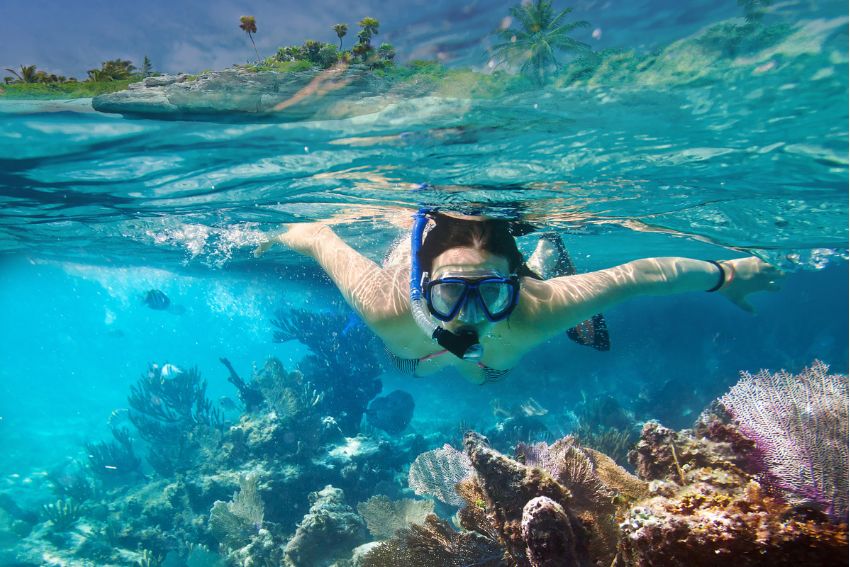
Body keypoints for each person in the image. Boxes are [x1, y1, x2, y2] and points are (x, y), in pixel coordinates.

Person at [255, 210, 783, 384]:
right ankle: (540, 262)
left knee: (484, 372)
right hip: (413, 353)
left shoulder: (536, 308)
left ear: (515, 285)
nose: (469, 315)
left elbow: (640, 274)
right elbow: (319, 235)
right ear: (422, 289)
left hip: (504, 325)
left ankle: (543, 258)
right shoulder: (386, 306)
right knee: (422, 363)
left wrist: (727, 273)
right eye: (451, 293)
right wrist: (274, 235)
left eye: (489, 294)